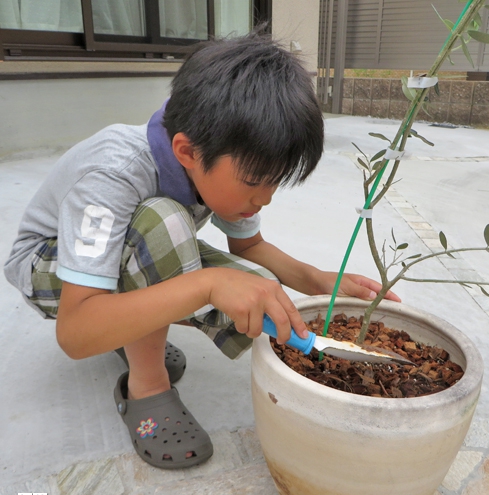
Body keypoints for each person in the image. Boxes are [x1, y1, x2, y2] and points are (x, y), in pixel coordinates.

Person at [4, 30, 399, 470]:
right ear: (187, 152)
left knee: (259, 287)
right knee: (164, 224)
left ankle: (131, 330)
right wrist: (206, 284)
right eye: (255, 183)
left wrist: (316, 279)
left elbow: (249, 244)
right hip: (48, 266)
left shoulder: (219, 155)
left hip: (119, 253)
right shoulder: (113, 173)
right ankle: (147, 386)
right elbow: (75, 333)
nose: (264, 198)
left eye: (275, 182)